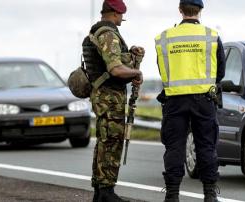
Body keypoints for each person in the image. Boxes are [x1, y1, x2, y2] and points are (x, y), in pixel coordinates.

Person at [154, 0, 226, 201]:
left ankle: (172, 194)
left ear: (180, 11)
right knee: (206, 146)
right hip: (204, 100)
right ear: (200, 11)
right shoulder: (211, 37)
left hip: (174, 101)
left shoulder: (164, 38)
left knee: (174, 146)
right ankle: (210, 194)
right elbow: (220, 72)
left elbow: (162, 70)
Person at [83, 0, 144, 201]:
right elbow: (115, 69)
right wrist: (136, 71)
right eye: (121, 15)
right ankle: (106, 192)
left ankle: (100, 191)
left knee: (104, 141)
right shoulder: (108, 34)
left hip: (103, 96)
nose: (121, 20)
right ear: (115, 13)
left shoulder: (97, 32)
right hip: (110, 98)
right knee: (111, 143)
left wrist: (130, 54)